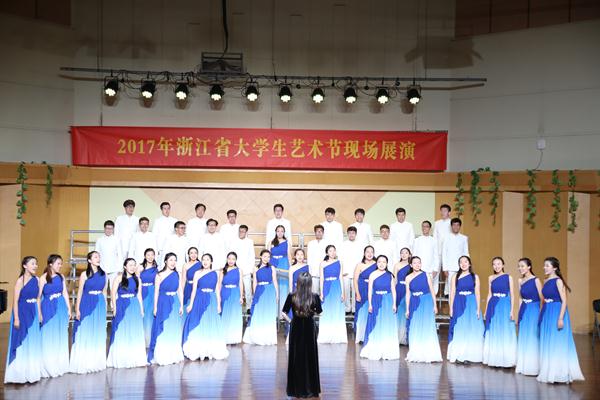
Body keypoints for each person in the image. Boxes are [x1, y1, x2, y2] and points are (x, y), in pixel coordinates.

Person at [537, 257, 584, 384]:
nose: (544, 267)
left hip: (557, 312)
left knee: (557, 342)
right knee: (548, 341)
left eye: (547, 265)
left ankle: (559, 373)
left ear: (554, 268)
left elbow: (564, 301)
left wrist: (561, 318)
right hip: (547, 312)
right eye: (544, 265)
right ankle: (549, 371)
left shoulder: (558, 281)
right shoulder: (546, 280)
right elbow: (544, 299)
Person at [282, 272, 322, 399]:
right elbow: (320, 312)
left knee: (296, 357)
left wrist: (291, 321)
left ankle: (296, 389)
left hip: (296, 328)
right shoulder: (314, 297)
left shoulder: (292, 296)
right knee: (310, 357)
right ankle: (311, 389)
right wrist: (311, 313)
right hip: (309, 328)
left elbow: (283, 312)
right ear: (310, 283)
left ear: (298, 283)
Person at [182, 253, 229, 360]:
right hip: (199, 299)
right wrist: (191, 304)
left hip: (211, 300)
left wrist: (218, 304)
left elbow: (217, 290)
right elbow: (194, 290)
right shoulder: (197, 273)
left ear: (211, 262)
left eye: (208, 259)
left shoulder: (215, 273)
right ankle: (199, 348)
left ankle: (210, 349)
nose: (205, 261)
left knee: (210, 322)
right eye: (203, 259)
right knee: (198, 321)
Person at [4, 256, 42, 384]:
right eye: (32, 263)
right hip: (22, 312)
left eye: (36, 264)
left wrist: (39, 313)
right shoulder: (20, 281)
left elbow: (38, 298)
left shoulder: (37, 279)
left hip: (33, 311)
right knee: (21, 340)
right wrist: (16, 318)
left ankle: (31, 372)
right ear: (25, 266)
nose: (35, 266)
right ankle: (18, 373)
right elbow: (15, 301)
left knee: (32, 340)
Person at [70, 251, 108, 374]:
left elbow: (104, 292)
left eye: (99, 256)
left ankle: (96, 361)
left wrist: (105, 306)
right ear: (89, 260)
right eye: (95, 257)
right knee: (86, 329)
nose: (98, 258)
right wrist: (77, 309)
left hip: (99, 304)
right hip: (87, 303)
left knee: (97, 331)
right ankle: (84, 360)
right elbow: (80, 292)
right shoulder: (84, 274)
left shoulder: (104, 274)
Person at [107, 258, 147, 368]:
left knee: (133, 330)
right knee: (121, 329)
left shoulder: (138, 279)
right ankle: (121, 357)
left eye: (134, 265)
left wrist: (141, 309)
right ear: (125, 266)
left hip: (134, 306)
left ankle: (133, 357)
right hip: (122, 305)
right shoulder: (119, 278)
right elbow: (113, 294)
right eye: (130, 265)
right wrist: (114, 308)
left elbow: (139, 295)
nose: (133, 267)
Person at [147, 253, 184, 366]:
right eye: (170, 260)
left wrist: (181, 305)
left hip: (174, 302)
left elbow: (180, 290)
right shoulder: (159, 275)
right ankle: (162, 354)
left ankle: (173, 354)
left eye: (175, 260)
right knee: (163, 326)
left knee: (173, 327)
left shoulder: (177, 274)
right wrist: (155, 307)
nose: (173, 262)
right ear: (165, 261)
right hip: (163, 302)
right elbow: (156, 292)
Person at [360, 255, 399, 360]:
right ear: (376, 263)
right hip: (376, 300)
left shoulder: (390, 275)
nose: (381, 264)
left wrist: (394, 304)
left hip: (388, 301)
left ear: (387, 264)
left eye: (384, 262)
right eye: (379, 262)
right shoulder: (372, 274)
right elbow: (369, 291)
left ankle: (387, 348)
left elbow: (393, 291)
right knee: (375, 323)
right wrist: (370, 304)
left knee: (387, 324)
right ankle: (374, 346)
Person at [447, 255, 484, 363]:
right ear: (459, 265)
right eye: (461, 262)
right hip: (459, 303)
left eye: (465, 262)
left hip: (471, 304)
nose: (463, 264)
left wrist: (478, 308)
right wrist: (451, 308)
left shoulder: (475, 277)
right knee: (459, 328)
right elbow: (452, 293)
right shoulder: (455, 276)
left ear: (469, 264)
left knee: (471, 328)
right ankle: (458, 354)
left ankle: (469, 354)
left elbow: (477, 293)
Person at [405, 256, 442, 363]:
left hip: (426, 301)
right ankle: (416, 351)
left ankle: (428, 352)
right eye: (415, 263)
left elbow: (432, 290)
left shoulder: (426, 275)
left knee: (427, 326)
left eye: (419, 263)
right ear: (411, 265)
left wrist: (435, 305)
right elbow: (408, 294)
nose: (417, 265)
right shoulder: (408, 278)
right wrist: (407, 309)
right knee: (415, 326)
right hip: (414, 303)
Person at [38, 254, 70, 378]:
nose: (60, 266)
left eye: (61, 264)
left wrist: (68, 308)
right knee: (48, 334)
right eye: (58, 263)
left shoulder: (61, 277)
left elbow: (65, 293)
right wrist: (40, 313)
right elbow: (38, 297)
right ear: (50, 264)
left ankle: (59, 364)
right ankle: (48, 365)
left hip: (60, 306)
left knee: (60, 333)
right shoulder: (43, 278)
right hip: (48, 307)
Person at [483, 257, 517, 367]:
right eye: (494, 264)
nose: (496, 266)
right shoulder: (490, 278)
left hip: (505, 305)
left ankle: (506, 360)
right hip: (493, 305)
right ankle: (495, 359)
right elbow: (489, 294)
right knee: (494, 329)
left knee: (505, 330)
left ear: (503, 265)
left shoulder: (508, 277)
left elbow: (512, 295)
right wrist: (486, 310)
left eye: (499, 264)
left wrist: (512, 310)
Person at [243, 250, 279, 345]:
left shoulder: (272, 268)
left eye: (268, 257)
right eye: (264, 256)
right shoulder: (255, 268)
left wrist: (277, 294)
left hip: (270, 291)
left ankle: (267, 337)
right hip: (260, 291)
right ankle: (257, 336)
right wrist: (255, 294)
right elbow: (254, 282)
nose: (266, 258)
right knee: (258, 312)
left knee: (268, 312)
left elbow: (275, 281)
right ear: (261, 257)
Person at [515, 257, 542, 376]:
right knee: (523, 336)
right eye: (519, 266)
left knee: (532, 336)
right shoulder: (520, 281)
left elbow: (542, 298)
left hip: (534, 310)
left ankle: (534, 366)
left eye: (522, 266)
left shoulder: (536, 280)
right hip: (524, 310)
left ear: (529, 267)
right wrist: (519, 313)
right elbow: (520, 298)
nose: (520, 268)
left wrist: (541, 313)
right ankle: (524, 365)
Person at [318, 245, 347, 344]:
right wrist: (321, 293)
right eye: (330, 251)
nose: (333, 252)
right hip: (327, 287)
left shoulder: (339, 262)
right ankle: (326, 335)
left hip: (337, 287)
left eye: (334, 250)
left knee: (337, 310)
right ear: (327, 253)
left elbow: (341, 278)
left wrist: (343, 292)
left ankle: (338, 335)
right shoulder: (322, 263)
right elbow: (321, 279)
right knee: (326, 310)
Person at [353, 246, 377, 343]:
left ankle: (371, 334)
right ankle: (361, 335)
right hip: (362, 290)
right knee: (361, 312)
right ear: (364, 253)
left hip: (373, 291)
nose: (369, 254)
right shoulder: (359, 265)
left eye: (372, 252)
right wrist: (357, 293)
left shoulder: (377, 264)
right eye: (367, 252)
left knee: (372, 311)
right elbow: (355, 280)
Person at [220, 252, 244, 345]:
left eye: (233, 259)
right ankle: (224, 337)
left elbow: (240, 284)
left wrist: (241, 296)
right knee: (225, 314)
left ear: (236, 260)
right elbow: (219, 284)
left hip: (235, 293)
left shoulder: (239, 270)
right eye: (229, 258)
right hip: (225, 293)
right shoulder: (223, 270)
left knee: (234, 315)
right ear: (227, 259)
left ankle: (233, 338)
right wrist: (218, 297)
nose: (231, 261)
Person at [441, 218, 469, 296]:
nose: (456, 227)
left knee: (462, 288)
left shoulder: (464, 238)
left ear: (460, 226)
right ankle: (451, 304)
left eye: (457, 225)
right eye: (454, 225)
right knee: (451, 290)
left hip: (462, 267)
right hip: (450, 268)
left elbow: (466, 253)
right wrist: (445, 268)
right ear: (451, 226)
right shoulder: (446, 237)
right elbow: (444, 253)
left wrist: (467, 267)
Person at [95, 220, 122, 292]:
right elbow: (96, 254)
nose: (109, 230)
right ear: (104, 229)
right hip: (102, 269)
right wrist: (97, 268)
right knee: (102, 290)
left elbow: (120, 255)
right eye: (107, 228)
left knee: (114, 291)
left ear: (113, 229)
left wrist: (120, 269)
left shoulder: (117, 240)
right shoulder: (99, 240)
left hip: (114, 269)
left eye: (111, 228)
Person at [413, 221, 440, 294]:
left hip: (430, 270)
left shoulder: (434, 241)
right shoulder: (417, 240)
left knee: (430, 291)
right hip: (418, 270)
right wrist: (414, 269)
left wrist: (435, 269)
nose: (424, 228)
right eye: (423, 226)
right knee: (419, 290)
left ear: (430, 228)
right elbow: (414, 256)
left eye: (426, 226)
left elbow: (436, 256)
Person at [232, 224, 255, 312]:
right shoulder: (234, 241)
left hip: (246, 270)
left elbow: (252, 256)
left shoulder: (250, 242)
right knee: (237, 290)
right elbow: (231, 255)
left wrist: (250, 269)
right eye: (240, 231)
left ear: (246, 232)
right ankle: (237, 307)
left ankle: (249, 308)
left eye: (243, 231)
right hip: (236, 270)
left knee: (248, 290)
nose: (241, 233)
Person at [270, 225, 292, 312]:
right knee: (274, 286)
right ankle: (274, 311)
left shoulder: (287, 242)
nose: (280, 233)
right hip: (273, 264)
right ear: (276, 232)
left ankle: (283, 312)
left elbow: (289, 256)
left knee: (283, 287)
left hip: (284, 264)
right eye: (278, 231)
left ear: (284, 232)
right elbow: (267, 255)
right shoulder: (271, 242)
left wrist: (291, 268)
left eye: (282, 231)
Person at [341, 226, 362, 313]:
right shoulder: (343, 244)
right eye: (349, 233)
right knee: (345, 291)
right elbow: (340, 258)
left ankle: (354, 308)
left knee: (355, 291)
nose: (351, 235)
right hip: (345, 272)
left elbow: (361, 259)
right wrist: (342, 271)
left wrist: (360, 271)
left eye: (353, 233)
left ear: (356, 234)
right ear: (347, 234)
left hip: (356, 272)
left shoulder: (360, 244)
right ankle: (347, 308)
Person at [139, 248, 158, 347]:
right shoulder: (140, 268)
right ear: (145, 256)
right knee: (143, 314)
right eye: (148, 255)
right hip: (142, 291)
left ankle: (150, 339)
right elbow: (136, 281)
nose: (150, 257)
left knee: (151, 315)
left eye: (152, 255)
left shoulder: (157, 268)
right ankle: (142, 340)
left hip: (153, 292)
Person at [393, 248, 412, 345]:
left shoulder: (412, 265)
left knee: (407, 312)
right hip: (399, 289)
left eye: (406, 253)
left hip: (409, 290)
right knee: (399, 312)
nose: (404, 254)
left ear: (409, 254)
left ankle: (407, 337)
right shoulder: (397, 265)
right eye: (402, 253)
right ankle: (398, 338)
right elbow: (394, 280)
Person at [433, 204, 452, 292]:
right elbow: (435, 237)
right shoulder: (437, 223)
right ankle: (434, 291)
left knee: (449, 271)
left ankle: (447, 292)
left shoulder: (452, 223)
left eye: (445, 211)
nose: (443, 212)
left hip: (448, 252)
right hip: (438, 250)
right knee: (435, 270)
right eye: (442, 211)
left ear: (449, 212)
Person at [180, 246, 201, 323]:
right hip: (188, 288)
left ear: (198, 254)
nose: (193, 255)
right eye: (191, 253)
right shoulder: (185, 265)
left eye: (195, 253)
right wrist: (181, 293)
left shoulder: (201, 264)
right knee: (187, 308)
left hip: (198, 288)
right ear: (188, 254)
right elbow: (183, 280)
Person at [115, 199, 139, 264]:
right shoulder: (119, 219)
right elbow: (116, 233)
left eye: (132, 207)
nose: (131, 208)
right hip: (122, 244)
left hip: (133, 244)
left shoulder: (137, 219)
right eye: (129, 207)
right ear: (125, 208)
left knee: (132, 261)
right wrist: (117, 246)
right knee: (121, 262)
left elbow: (138, 233)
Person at [307, 224, 328, 294]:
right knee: (314, 292)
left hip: (324, 272)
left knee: (324, 292)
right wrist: (309, 271)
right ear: (315, 233)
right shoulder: (310, 243)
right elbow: (309, 258)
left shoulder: (327, 243)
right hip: (313, 272)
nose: (319, 233)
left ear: (323, 233)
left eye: (321, 231)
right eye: (317, 231)